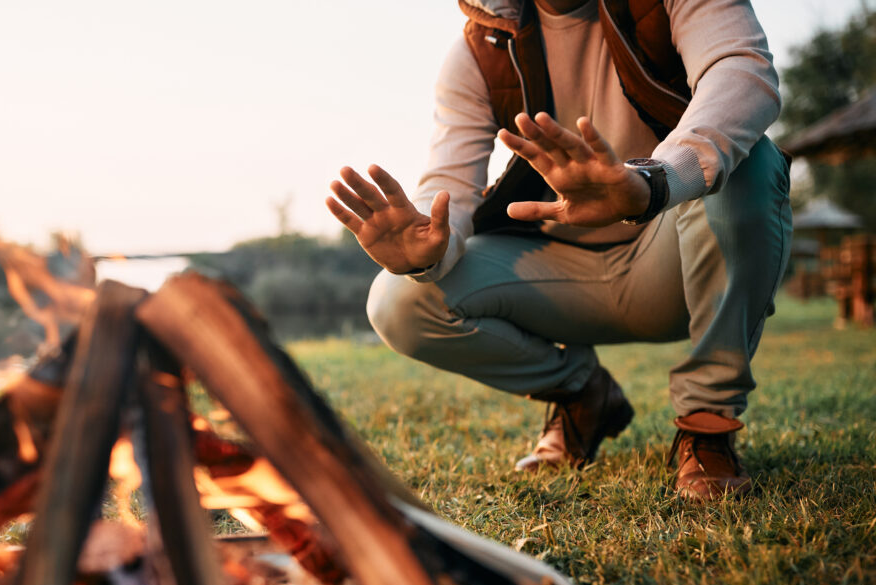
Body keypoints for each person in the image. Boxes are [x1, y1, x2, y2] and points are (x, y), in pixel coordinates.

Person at [324, 0, 792, 500]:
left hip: (676, 257)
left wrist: (653, 182)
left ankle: (707, 425)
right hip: (559, 274)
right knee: (398, 299)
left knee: (750, 159)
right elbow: (450, 181)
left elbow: (741, 71)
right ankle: (584, 393)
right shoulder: (480, 46)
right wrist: (425, 243)